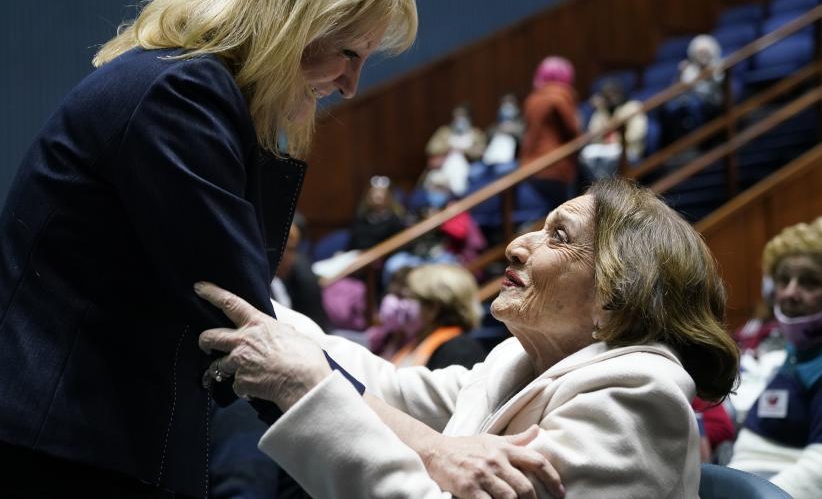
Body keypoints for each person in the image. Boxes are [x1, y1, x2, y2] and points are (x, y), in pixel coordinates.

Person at [0, 0, 417, 497]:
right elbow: (245, 325)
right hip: (68, 448)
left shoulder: (179, 82)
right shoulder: (182, 93)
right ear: (292, 17)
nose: (351, 86)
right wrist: (427, 454)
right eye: (348, 53)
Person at [197, 176, 740, 498]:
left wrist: (307, 390)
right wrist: (261, 309)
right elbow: (387, 389)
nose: (517, 245)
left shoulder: (637, 402)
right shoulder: (514, 363)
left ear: (614, 298)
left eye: (558, 236)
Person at [728, 217, 822, 499]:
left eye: (809, 282)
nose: (790, 293)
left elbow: (817, 472)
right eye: (784, 280)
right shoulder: (798, 354)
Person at [387, 264, 487, 370]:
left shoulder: (460, 351)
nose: (402, 306)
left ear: (433, 308)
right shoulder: (415, 343)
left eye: (410, 298)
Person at [518, 56, 581, 209]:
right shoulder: (560, 96)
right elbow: (573, 130)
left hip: (530, 167)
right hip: (555, 166)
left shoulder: (532, 99)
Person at [579, 78, 647, 180]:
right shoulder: (601, 111)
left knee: (612, 157)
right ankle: (602, 186)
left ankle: (612, 187)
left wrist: (618, 139)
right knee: (587, 153)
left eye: (614, 93)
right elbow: (593, 134)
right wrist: (601, 110)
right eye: (608, 95)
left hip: (629, 149)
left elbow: (638, 133)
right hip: (606, 148)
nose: (612, 97)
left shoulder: (633, 106)